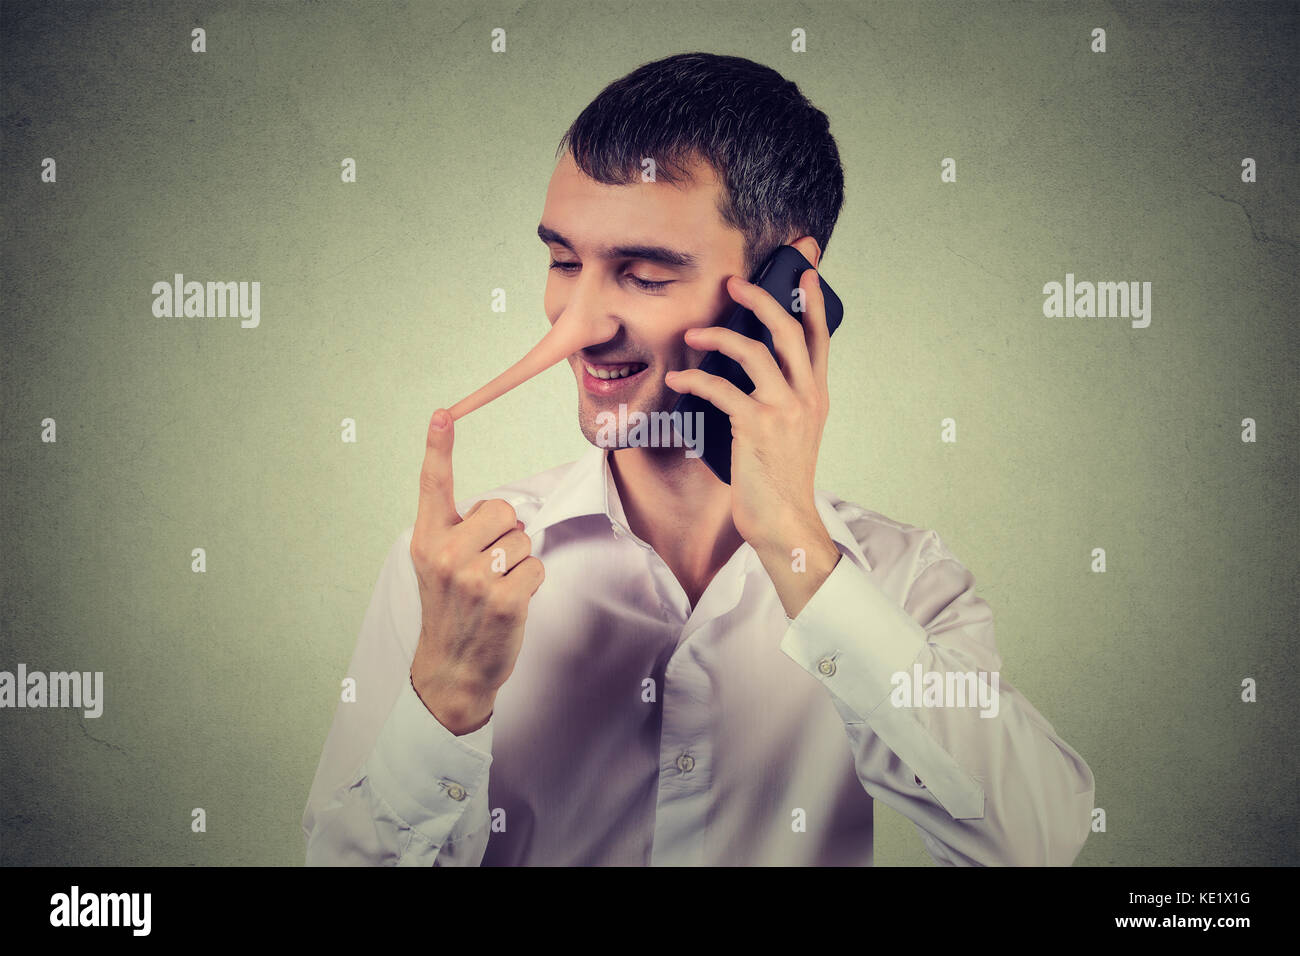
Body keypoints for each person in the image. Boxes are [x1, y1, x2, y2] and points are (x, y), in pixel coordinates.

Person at [301, 52, 1095, 866]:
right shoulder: (451, 574)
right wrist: (448, 697)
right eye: (564, 262)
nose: (574, 325)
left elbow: (1036, 842)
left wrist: (798, 545)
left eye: (642, 275)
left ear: (790, 288)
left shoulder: (903, 579)